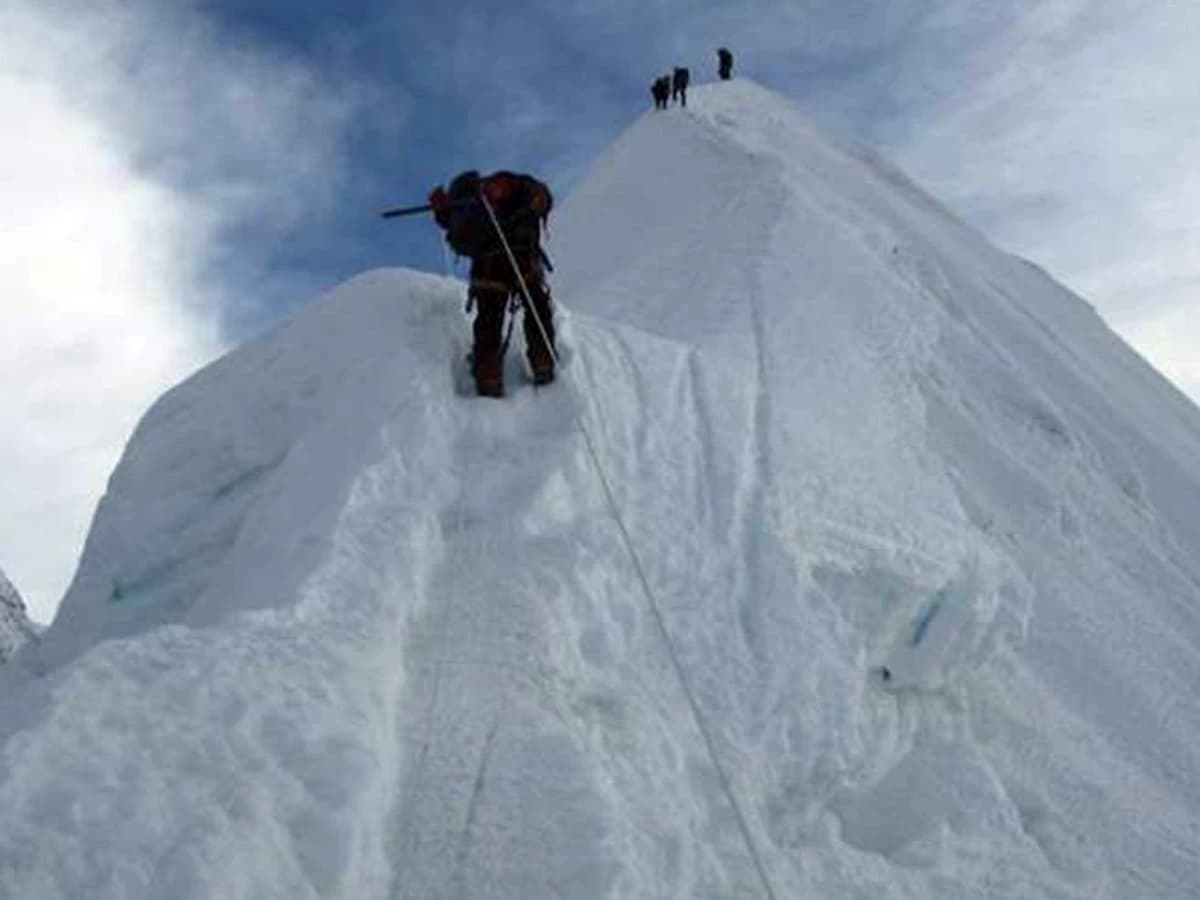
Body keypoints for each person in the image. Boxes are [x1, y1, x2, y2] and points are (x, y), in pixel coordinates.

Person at [428, 171, 556, 397]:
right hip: (522, 257)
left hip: (487, 268)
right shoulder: (516, 186)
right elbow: (543, 200)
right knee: (536, 306)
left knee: (488, 318)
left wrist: (443, 212)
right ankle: (542, 360)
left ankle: (489, 374)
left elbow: (455, 232)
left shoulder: (465, 206)